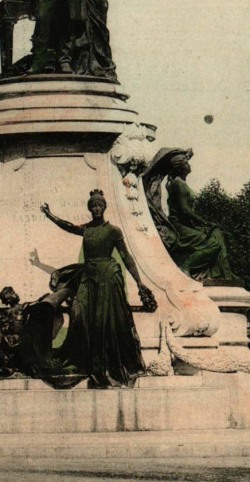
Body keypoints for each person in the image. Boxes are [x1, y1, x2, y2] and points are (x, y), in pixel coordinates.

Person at [40, 190, 157, 388]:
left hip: (108, 278)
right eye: (93, 206)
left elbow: (126, 256)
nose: (96, 208)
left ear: (104, 207)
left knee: (106, 321)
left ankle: (106, 365)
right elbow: (69, 227)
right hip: (88, 276)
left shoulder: (113, 231)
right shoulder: (87, 229)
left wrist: (139, 281)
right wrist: (50, 215)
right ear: (90, 208)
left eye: (99, 205)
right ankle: (85, 360)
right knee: (79, 314)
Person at [164, 152, 237, 281]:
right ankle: (186, 267)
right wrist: (205, 222)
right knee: (213, 244)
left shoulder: (180, 183)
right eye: (186, 163)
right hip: (179, 227)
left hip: (186, 224)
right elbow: (185, 210)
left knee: (217, 234)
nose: (189, 165)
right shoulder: (178, 185)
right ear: (180, 168)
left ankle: (224, 274)